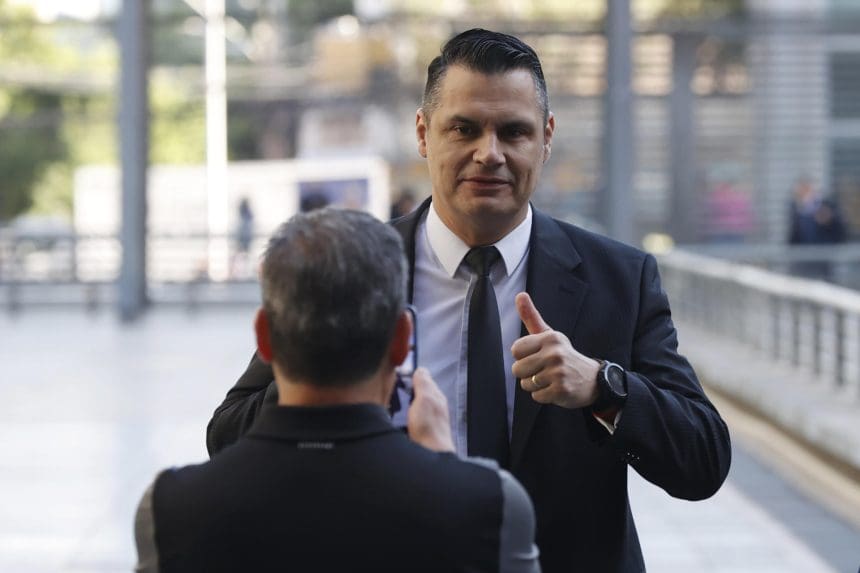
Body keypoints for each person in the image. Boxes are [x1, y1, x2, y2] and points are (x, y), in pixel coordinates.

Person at [206, 29, 731, 572]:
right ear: (423, 133)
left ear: (546, 138)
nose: (490, 153)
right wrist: (339, 389)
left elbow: (704, 461)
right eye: (464, 128)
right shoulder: (349, 267)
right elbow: (228, 435)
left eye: (513, 131)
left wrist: (602, 386)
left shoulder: (618, 278)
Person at [134, 208, 540, 573]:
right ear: (401, 340)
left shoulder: (170, 509)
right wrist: (450, 475)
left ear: (264, 338)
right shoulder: (490, 505)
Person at [788, 176, 846, 280]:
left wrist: (828, 220)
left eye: (805, 189)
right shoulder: (796, 209)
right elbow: (794, 236)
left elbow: (840, 229)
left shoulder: (827, 205)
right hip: (803, 259)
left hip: (823, 257)